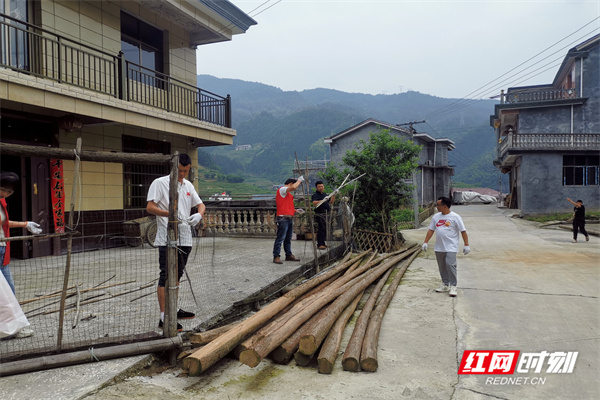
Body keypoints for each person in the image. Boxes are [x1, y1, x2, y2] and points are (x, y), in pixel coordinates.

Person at [146, 154, 205, 332]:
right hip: (167, 237)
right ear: (173, 167)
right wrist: (169, 214)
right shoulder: (160, 182)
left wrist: (199, 215)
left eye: (186, 171)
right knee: (166, 275)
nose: (182, 174)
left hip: (185, 236)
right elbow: (150, 207)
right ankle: (164, 316)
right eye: (179, 171)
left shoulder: (187, 185)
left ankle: (175, 309)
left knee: (177, 275)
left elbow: (200, 204)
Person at [1, 172, 42, 295]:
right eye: (2, 190)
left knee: (9, 289)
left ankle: (12, 313)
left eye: (9, 192)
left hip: (3, 250)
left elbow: (4, 222)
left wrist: (25, 224)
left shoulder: (2, 202)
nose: (5, 194)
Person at [421, 197, 470, 297]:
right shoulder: (436, 217)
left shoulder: (455, 217)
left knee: (450, 264)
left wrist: (466, 244)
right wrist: (425, 242)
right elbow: (431, 230)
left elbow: (463, 231)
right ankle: (445, 283)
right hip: (439, 247)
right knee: (442, 266)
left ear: (445, 206)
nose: (437, 207)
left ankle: (453, 285)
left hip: (451, 246)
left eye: (438, 205)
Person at [273, 176, 304, 264]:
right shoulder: (282, 190)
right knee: (280, 238)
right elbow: (294, 187)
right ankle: (276, 256)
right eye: (293, 185)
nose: (294, 188)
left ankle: (288, 255)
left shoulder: (289, 195)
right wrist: (299, 180)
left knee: (288, 238)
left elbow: (287, 206)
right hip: (282, 218)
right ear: (290, 184)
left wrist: (295, 211)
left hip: (289, 218)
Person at [311, 181, 337, 250]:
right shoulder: (315, 195)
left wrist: (333, 195)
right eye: (319, 187)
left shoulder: (324, 194)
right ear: (316, 187)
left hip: (326, 213)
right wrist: (322, 200)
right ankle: (320, 244)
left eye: (322, 186)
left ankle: (323, 243)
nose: (321, 188)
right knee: (321, 228)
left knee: (325, 228)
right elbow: (314, 202)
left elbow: (331, 202)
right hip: (320, 214)